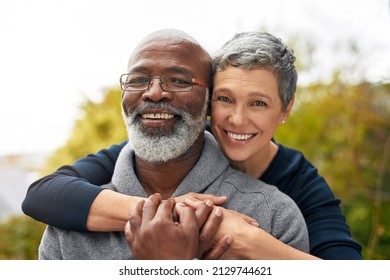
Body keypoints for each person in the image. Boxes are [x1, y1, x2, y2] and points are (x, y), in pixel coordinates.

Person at [22, 30, 361, 259]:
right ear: (211, 103)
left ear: (285, 110)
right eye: (227, 99)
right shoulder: (73, 224)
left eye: (258, 103)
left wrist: (253, 244)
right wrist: (167, 214)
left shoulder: (283, 207)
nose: (237, 119)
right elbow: (43, 192)